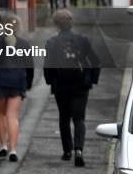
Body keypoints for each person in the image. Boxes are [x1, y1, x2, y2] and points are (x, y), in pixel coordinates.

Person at [44, 9, 100, 168]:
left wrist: (51, 83)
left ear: (56, 24)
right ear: (71, 22)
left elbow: (48, 66)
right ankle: (79, 150)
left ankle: (67, 151)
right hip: (81, 85)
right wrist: (92, 80)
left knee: (64, 117)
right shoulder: (83, 40)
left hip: (61, 86)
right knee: (79, 118)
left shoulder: (51, 42)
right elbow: (95, 61)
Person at [0, 13, 34, 163]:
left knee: (1, 115)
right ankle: (13, 150)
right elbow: (30, 67)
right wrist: (29, 84)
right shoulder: (24, 44)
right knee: (12, 116)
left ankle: (3, 146)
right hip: (17, 82)